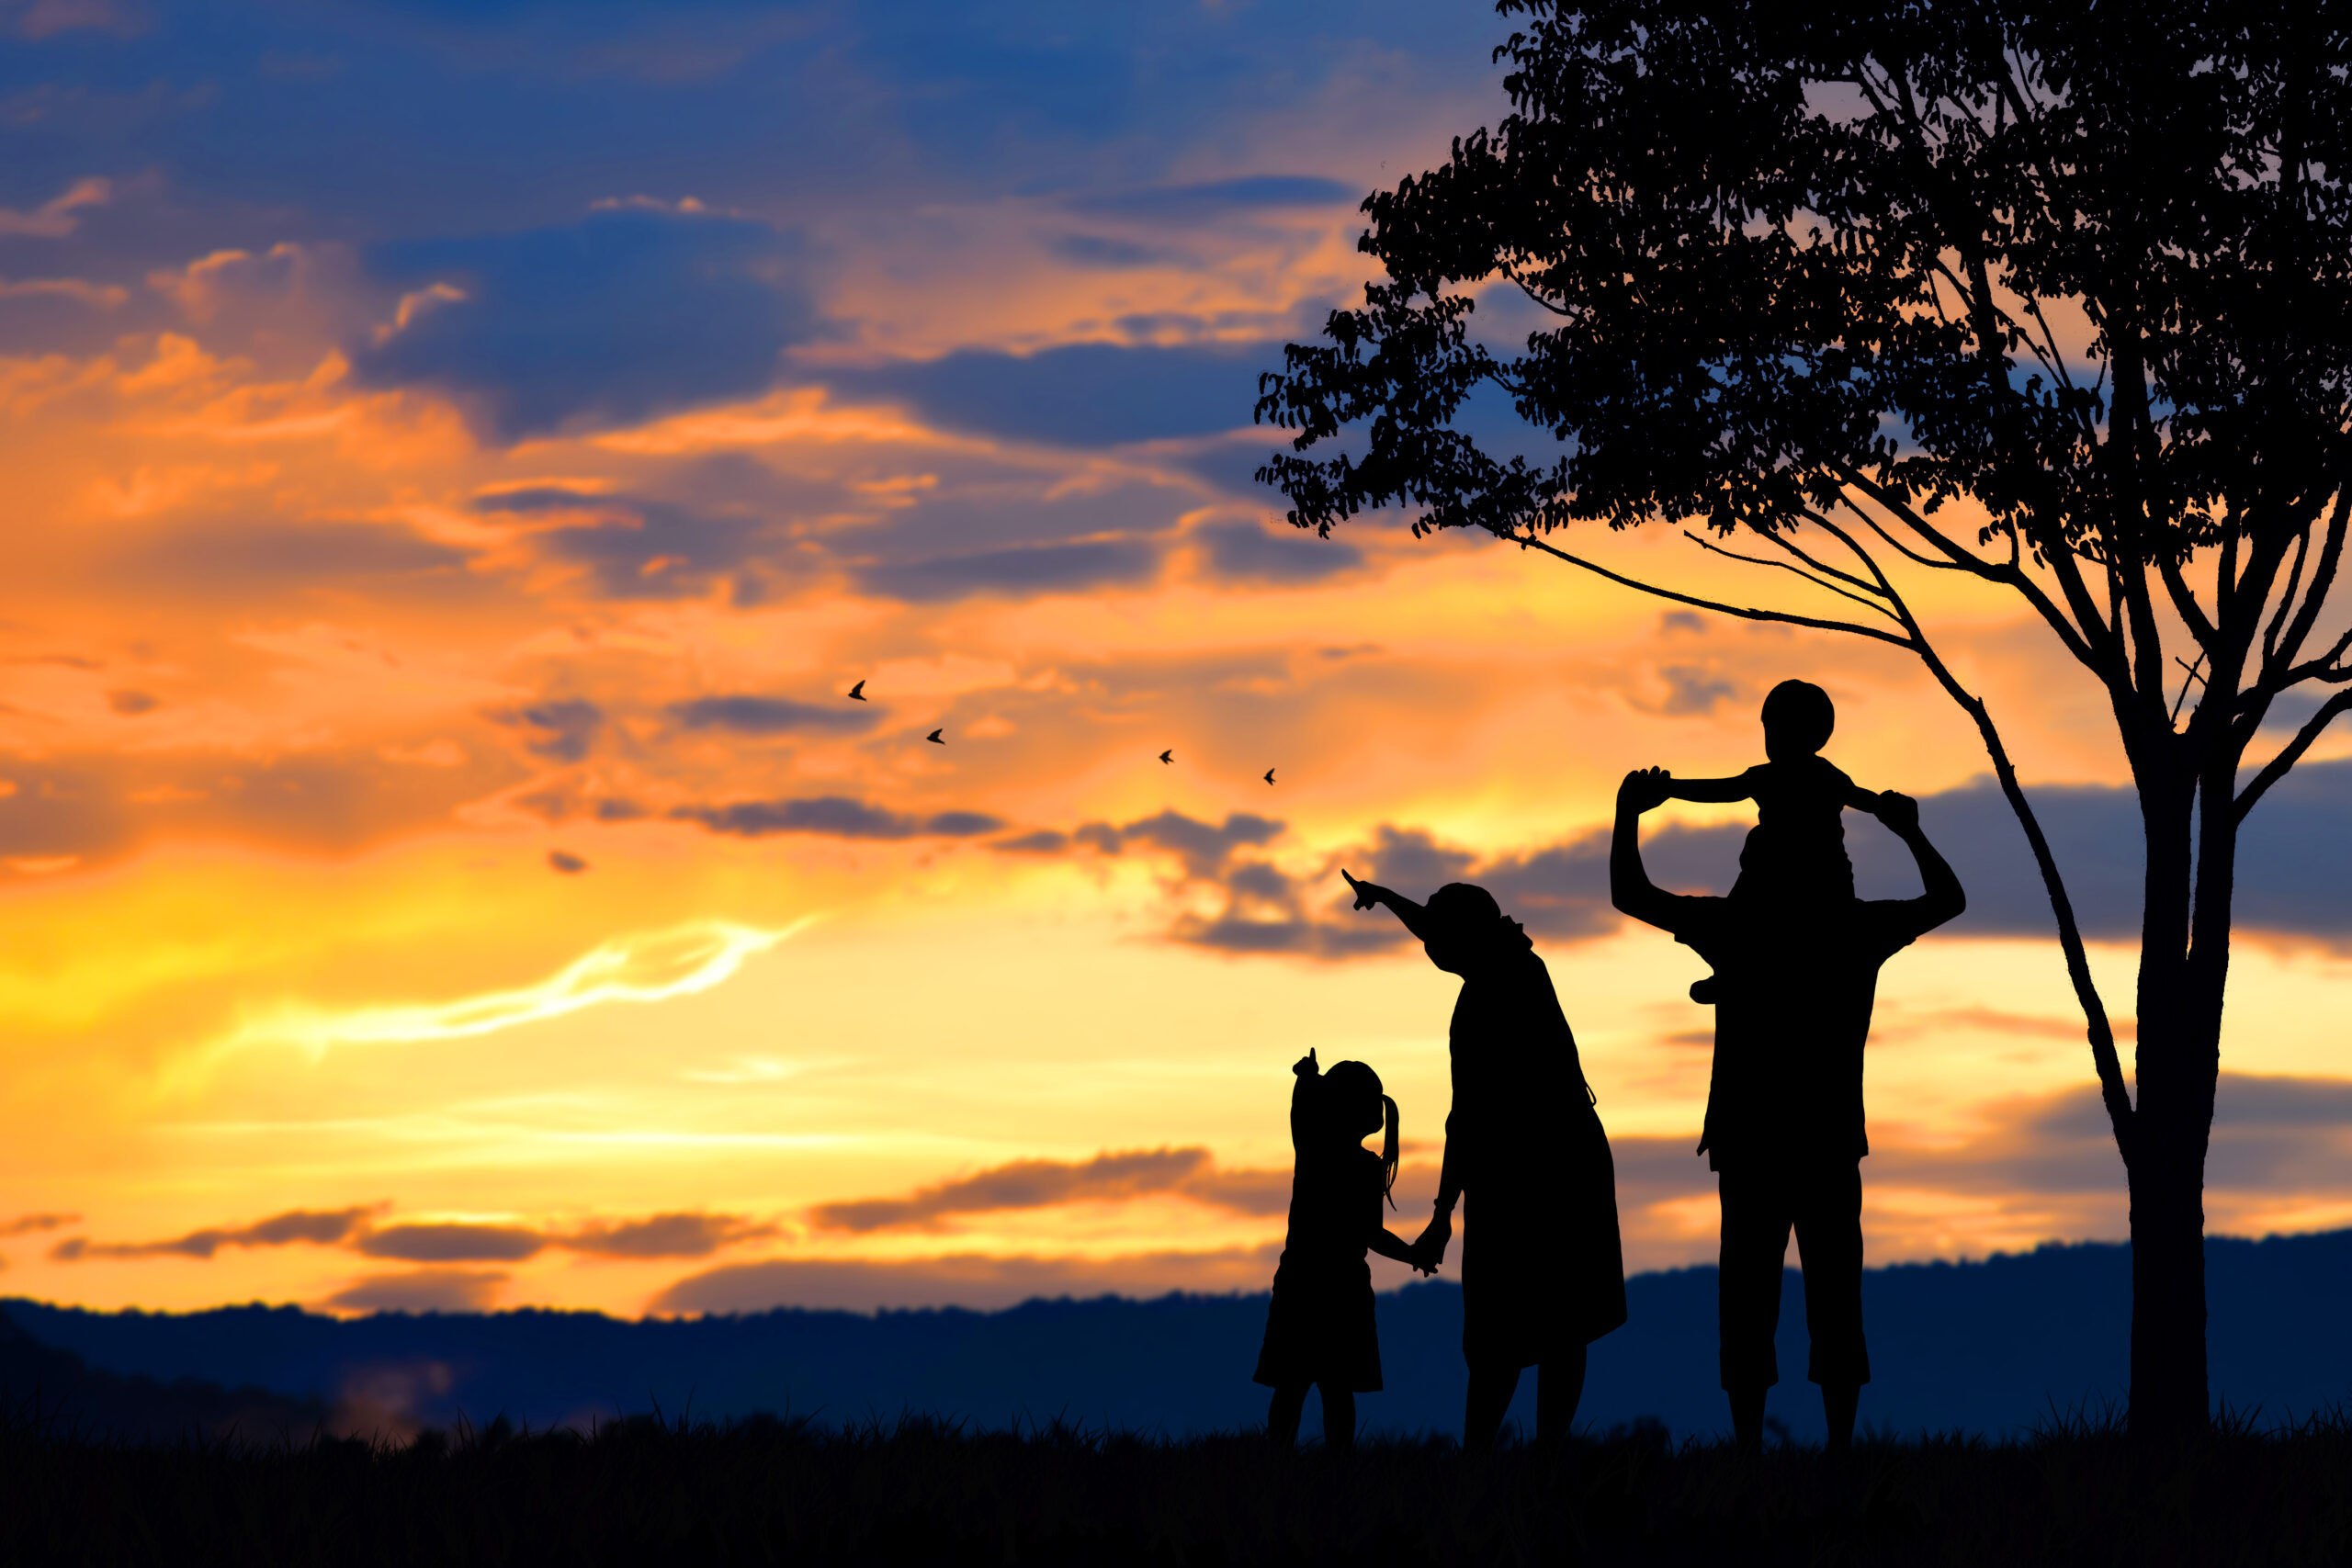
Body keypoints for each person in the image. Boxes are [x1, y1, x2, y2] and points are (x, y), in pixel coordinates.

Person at [1610, 764, 1964, 1455]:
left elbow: (1631, 892)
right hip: (1826, 1137)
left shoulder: (1737, 927)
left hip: (1752, 1138)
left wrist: (1630, 812)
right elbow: (1947, 897)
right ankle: (1836, 1447)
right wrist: (1910, 831)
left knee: (1749, 1298)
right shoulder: (1853, 929)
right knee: (1833, 1296)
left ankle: (1749, 1449)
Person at [1341, 871, 1626, 1451]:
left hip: (1538, 1168)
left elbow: (1465, 1117)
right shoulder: (1510, 960)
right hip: (1549, 1159)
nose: (1430, 952)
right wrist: (1387, 896)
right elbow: (1436, 927)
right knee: (1552, 1322)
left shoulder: (1490, 995)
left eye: (1439, 942)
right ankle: (1525, 1455)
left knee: (1521, 1324)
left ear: (1463, 938)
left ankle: (1488, 1455)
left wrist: (1444, 1212)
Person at [1660, 679, 1886, 1003]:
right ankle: (1731, 969)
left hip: (1800, 881)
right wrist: (1672, 788)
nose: (1772, 738)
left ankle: (1732, 970)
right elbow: (1861, 798)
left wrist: (1671, 788)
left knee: (1753, 877)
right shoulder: (1822, 775)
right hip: (1826, 881)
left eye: (1776, 729)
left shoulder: (1789, 776)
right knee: (1754, 871)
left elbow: (1723, 791)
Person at [1254, 1049, 1427, 1451]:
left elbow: (1300, 1114)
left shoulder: (1313, 1153)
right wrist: (1414, 1254)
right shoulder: (1364, 1167)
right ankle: (1338, 1467)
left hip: (1301, 1281)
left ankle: (1278, 1464)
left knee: (1293, 1386)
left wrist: (1307, 1079)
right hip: (1343, 1289)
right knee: (1336, 1391)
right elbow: (1373, 1235)